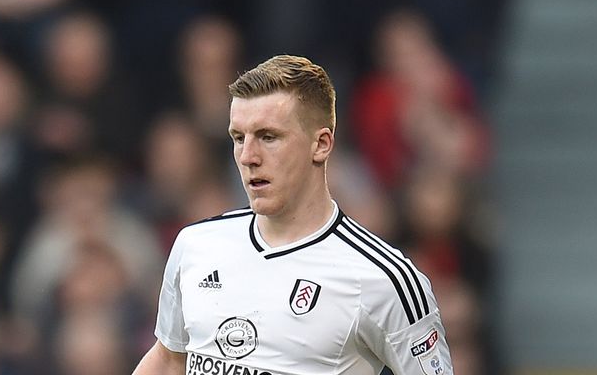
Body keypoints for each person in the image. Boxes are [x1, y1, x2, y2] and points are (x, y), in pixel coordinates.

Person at [133, 55, 453, 375]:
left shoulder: (383, 279)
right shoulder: (196, 245)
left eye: (268, 137)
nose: (248, 157)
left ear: (321, 144)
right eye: (238, 138)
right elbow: (168, 360)